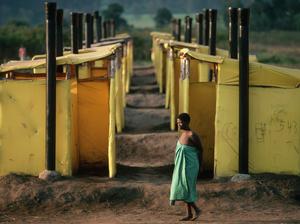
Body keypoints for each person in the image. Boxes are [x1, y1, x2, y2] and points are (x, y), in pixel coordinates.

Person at [170, 113, 202, 221]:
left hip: (190, 166)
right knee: (182, 187)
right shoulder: (182, 135)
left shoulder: (192, 135)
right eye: (177, 122)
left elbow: (200, 150)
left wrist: (200, 166)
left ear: (187, 122)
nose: (178, 124)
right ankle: (189, 214)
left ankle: (197, 210)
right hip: (180, 166)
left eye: (180, 122)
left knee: (186, 188)